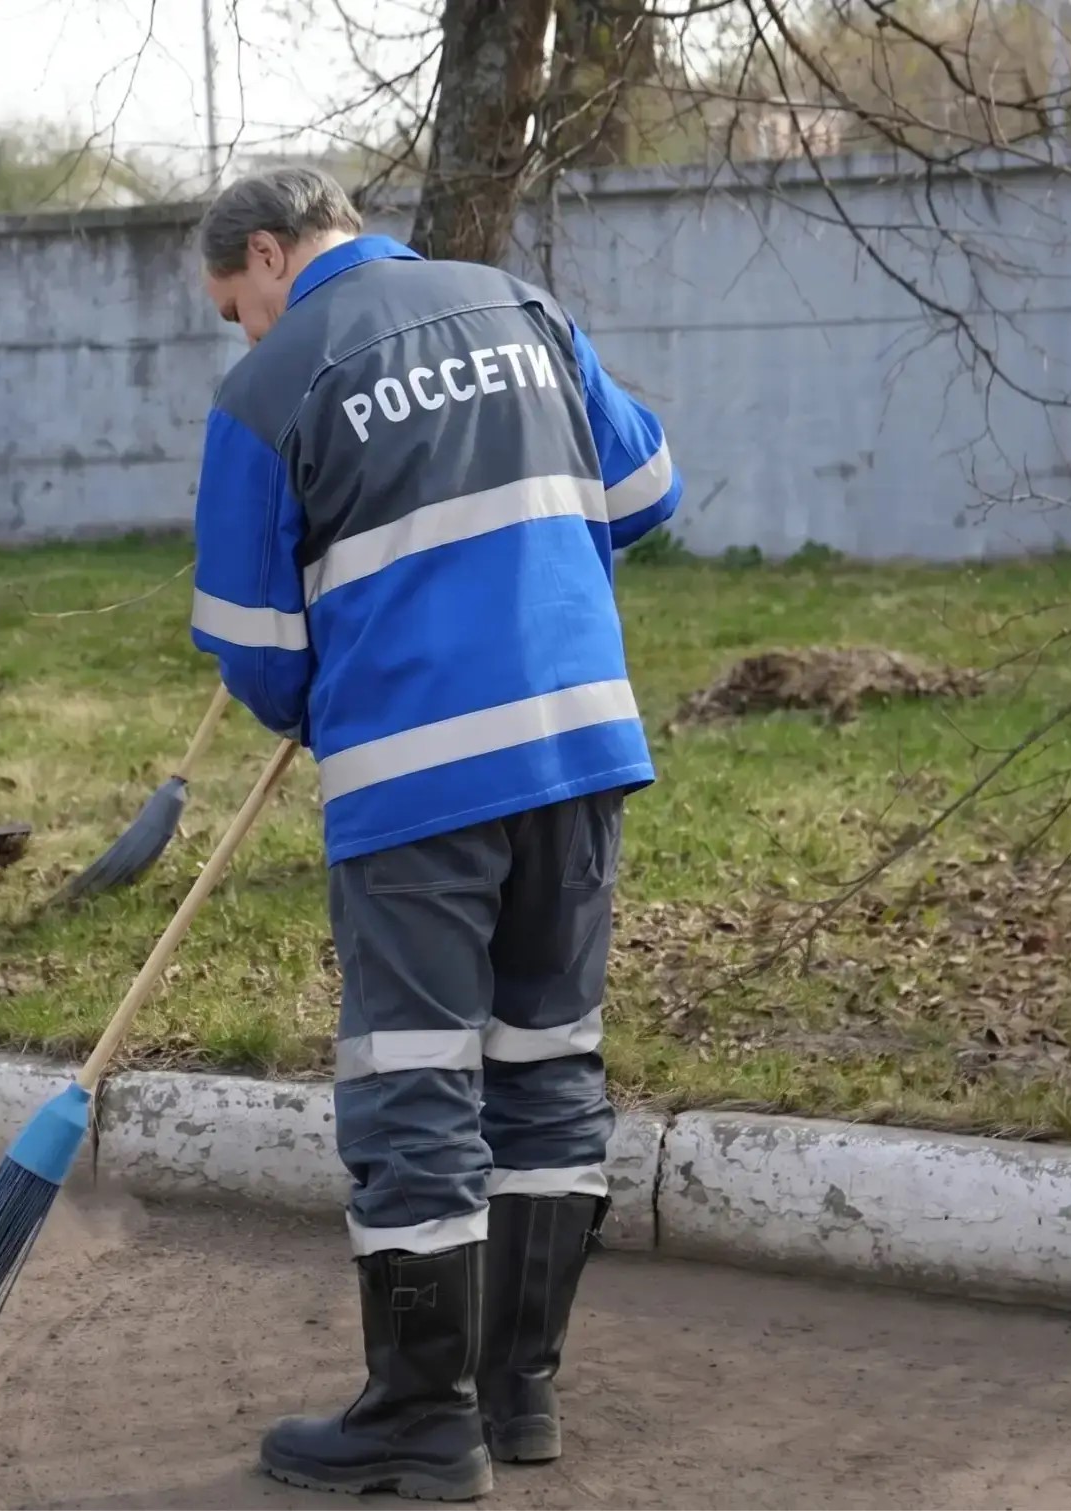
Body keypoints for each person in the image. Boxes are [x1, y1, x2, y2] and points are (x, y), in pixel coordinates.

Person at [188, 167, 681, 1501]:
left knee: (415, 1079)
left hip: (416, 772)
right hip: (580, 744)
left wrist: (321, 684)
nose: (243, 331)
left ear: (272, 257)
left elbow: (250, 647)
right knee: (546, 1058)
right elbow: (645, 492)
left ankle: (419, 1412)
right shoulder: (523, 306)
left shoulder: (270, 383)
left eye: (237, 304)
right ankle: (522, 1393)